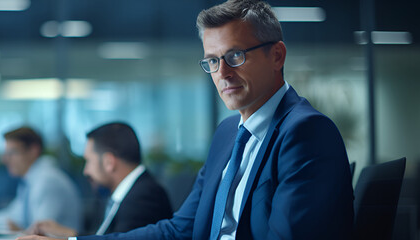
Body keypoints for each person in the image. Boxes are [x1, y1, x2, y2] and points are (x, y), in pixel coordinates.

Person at [18, 0, 354, 239]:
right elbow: (180, 229)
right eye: (212, 61)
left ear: (277, 55)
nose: (222, 73)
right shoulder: (227, 134)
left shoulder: (306, 131)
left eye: (235, 56)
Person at [28, 122, 173, 238]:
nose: (85, 171)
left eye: (89, 161)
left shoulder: (145, 196)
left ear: (109, 162)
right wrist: (70, 234)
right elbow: (108, 237)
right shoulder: (119, 193)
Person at [0, 126, 82, 231]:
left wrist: (21, 231)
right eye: (6, 153)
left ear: (33, 151)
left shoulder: (48, 181)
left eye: (12, 153)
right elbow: (12, 217)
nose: (5, 160)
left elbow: (40, 231)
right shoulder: (31, 180)